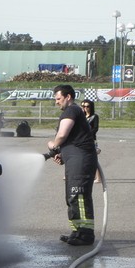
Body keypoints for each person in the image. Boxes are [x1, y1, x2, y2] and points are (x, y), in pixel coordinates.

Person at [47, 85, 98, 246]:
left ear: (68, 97)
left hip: (81, 162)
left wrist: (53, 145)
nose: (56, 102)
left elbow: (62, 134)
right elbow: (72, 139)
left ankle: (85, 235)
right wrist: (61, 154)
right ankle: (77, 231)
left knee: (79, 196)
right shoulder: (72, 112)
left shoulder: (71, 111)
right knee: (72, 197)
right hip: (75, 161)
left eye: (58, 98)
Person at [81, 99, 101, 183]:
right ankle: (87, 175)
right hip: (82, 140)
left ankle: (98, 177)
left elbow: (95, 128)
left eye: (87, 106)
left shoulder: (94, 116)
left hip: (91, 139)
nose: (85, 108)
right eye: (83, 106)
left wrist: (87, 134)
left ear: (91, 107)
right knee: (83, 158)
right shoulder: (81, 116)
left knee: (93, 158)